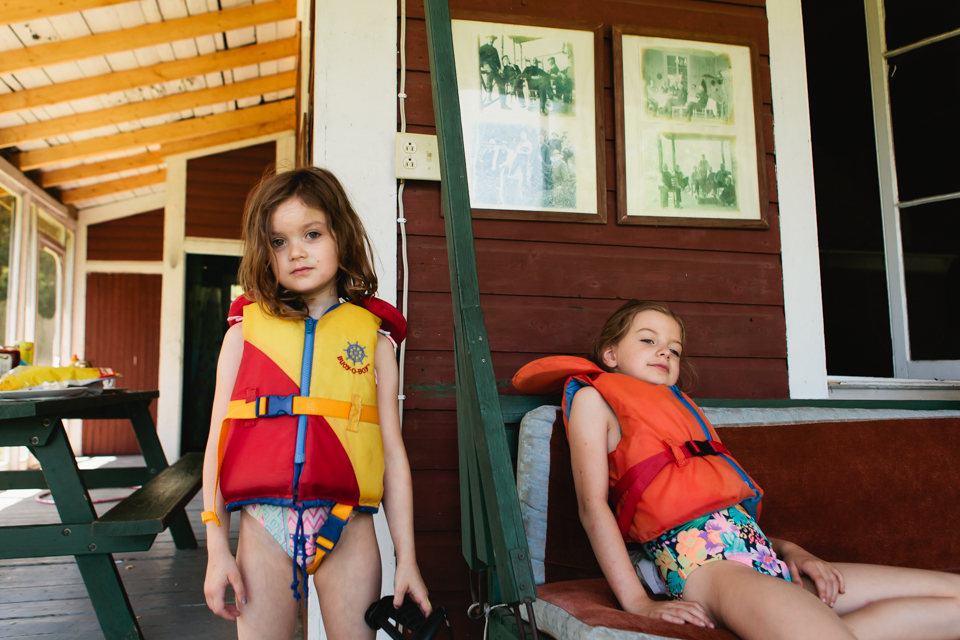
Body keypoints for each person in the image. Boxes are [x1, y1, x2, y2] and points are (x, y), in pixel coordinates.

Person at [513, 300, 960, 640]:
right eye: (647, 340)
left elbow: (727, 514)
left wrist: (794, 551)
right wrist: (638, 603)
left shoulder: (682, 411)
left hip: (767, 560)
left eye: (674, 348)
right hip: (707, 570)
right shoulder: (596, 398)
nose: (664, 352)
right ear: (610, 354)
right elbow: (593, 508)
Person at [201, 167, 429, 639]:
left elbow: (392, 455)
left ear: (340, 238)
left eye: (311, 234)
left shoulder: (376, 342)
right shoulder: (243, 336)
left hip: (347, 527)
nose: (297, 251)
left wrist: (407, 559)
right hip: (263, 530)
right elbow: (216, 446)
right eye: (279, 242)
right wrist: (216, 548)